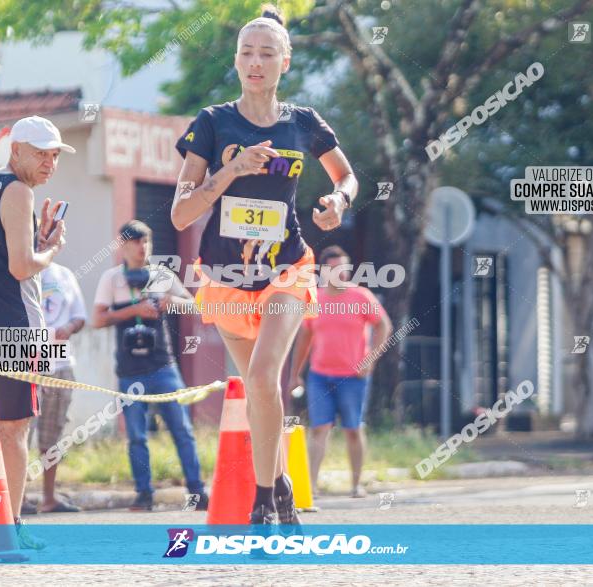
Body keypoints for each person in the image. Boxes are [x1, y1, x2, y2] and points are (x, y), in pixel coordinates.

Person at [172, 4, 358, 527]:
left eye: (267, 53)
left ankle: (260, 500)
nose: (256, 62)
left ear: (285, 62)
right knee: (258, 391)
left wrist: (338, 202)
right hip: (226, 275)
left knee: (261, 378)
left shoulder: (303, 124)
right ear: (236, 61)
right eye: (247, 53)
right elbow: (181, 210)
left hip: (287, 268)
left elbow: (345, 177)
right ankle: (280, 482)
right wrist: (230, 169)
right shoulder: (212, 123)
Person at [0, 115, 72, 548]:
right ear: (16, 151)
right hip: (13, 330)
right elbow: (21, 266)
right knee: (13, 430)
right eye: (41, 153)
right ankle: (9, 527)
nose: (49, 163)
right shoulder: (18, 190)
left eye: (55, 155)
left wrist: (34, 245)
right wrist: (52, 250)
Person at [91, 220, 209, 512]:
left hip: (163, 365)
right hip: (130, 370)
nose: (142, 248)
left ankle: (197, 492)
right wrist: (135, 310)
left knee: (182, 429)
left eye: (146, 242)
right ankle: (144, 494)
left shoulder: (161, 275)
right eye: (135, 242)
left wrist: (172, 302)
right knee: (137, 436)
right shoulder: (111, 279)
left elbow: (196, 306)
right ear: (123, 245)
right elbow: (97, 319)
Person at [287, 246, 393, 498]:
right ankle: (310, 487)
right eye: (335, 269)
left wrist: (370, 359)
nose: (341, 274)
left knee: (353, 429)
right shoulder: (315, 298)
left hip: (353, 377)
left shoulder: (361, 296)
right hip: (320, 375)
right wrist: (295, 374)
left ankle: (356, 485)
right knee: (318, 429)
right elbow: (304, 338)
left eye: (344, 268)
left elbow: (383, 326)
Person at [29, 262, 86, 514]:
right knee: (18, 433)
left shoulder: (65, 274)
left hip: (60, 365)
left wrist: (69, 328)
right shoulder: (18, 268)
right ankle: (13, 500)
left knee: (52, 436)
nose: (44, 235)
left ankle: (48, 498)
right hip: (24, 364)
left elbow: (80, 316)